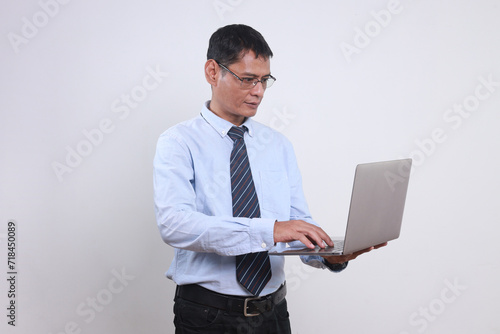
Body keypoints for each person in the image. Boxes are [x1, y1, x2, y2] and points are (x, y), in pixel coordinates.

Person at [153, 24, 385, 334]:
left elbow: (297, 223)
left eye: (264, 80)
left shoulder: (277, 145)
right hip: (207, 316)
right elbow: (175, 224)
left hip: (273, 314)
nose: (259, 91)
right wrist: (270, 229)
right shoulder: (178, 142)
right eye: (247, 79)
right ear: (212, 71)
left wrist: (329, 254)